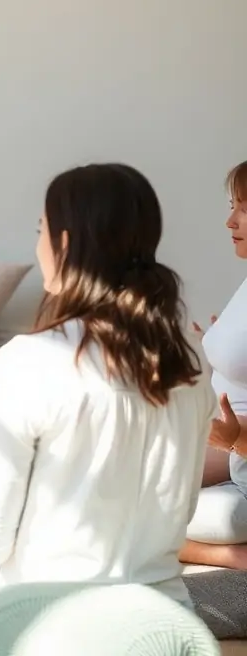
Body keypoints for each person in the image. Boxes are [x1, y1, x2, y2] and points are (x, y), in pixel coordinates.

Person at [0, 163, 215, 648]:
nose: (36, 245)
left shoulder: (25, 363)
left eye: (40, 231)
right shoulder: (192, 360)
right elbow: (185, 508)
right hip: (162, 629)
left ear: (64, 246)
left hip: (47, 629)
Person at [181, 159, 247, 570]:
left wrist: (235, 438)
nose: (230, 221)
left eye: (244, 208)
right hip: (234, 449)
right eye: (232, 205)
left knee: (125, 513)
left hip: (242, 463)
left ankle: (233, 558)